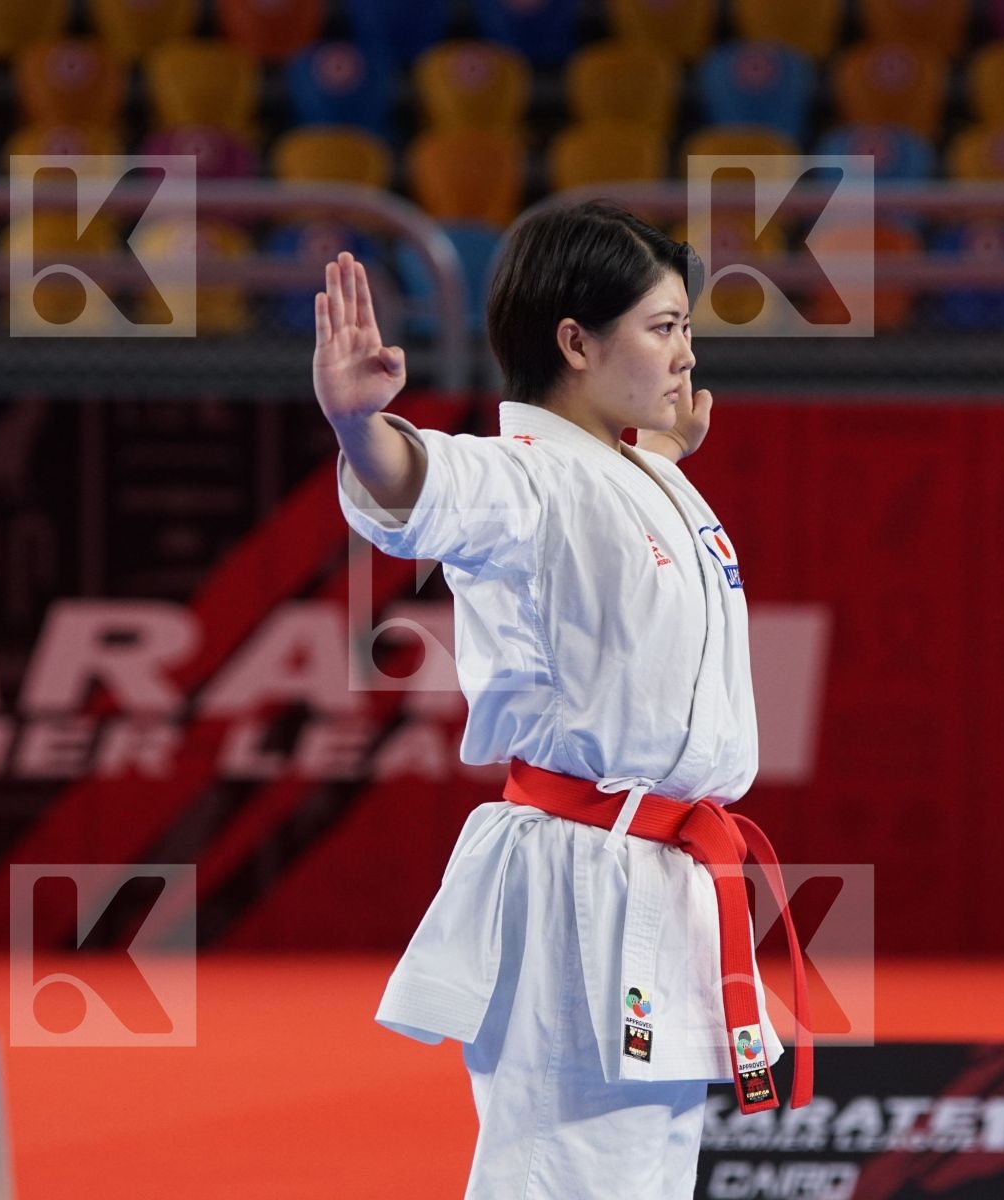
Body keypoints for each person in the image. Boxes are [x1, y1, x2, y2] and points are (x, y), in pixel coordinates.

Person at [313, 201, 810, 1199]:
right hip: (581, 889)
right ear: (576, 341)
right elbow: (424, 487)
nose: (686, 354)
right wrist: (361, 428)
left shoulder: (627, 469)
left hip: (656, 874)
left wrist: (660, 463)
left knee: (644, 1179)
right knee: (567, 1179)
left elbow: (615, 552)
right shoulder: (522, 479)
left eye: (686, 328)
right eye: (663, 327)